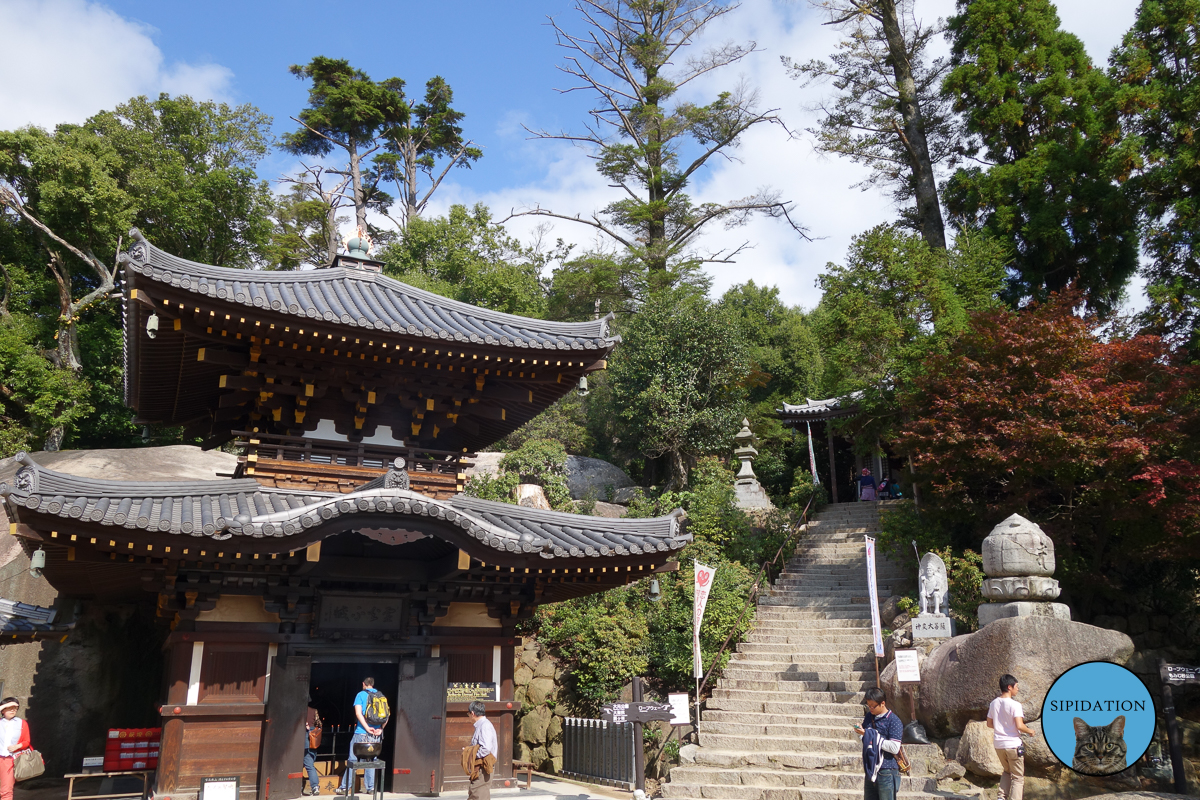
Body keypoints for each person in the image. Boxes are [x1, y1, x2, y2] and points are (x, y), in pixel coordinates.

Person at [336, 678, 388, 796]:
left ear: (363, 684)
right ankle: (370, 788)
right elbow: (387, 715)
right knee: (371, 760)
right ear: (373, 684)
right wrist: (381, 729)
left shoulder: (360, 694)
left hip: (361, 733)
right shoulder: (381, 696)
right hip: (375, 736)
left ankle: (345, 787)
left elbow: (358, 713)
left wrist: (366, 727)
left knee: (353, 759)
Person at [988, 675, 1036, 800]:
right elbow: (1020, 726)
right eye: (1016, 686)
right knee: (1018, 777)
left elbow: (989, 723)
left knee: (1007, 771)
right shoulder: (1015, 705)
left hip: (999, 745)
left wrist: (1001, 728)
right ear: (1009, 687)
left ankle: (1001, 798)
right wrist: (1030, 731)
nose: (1018, 689)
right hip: (1013, 745)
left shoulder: (993, 703)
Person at [854, 687, 903, 800]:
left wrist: (870, 736)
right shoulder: (869, 717)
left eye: (873, 706)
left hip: (887, 770)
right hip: (871, 769)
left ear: (882, 703)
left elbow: (894, 747)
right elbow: (863, 740)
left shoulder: (894, 721)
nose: (870, 708)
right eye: (868, 705)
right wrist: (859, 732)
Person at [0, 697, 31, 800]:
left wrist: (18, 746)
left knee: (6, 791)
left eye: (15, 708)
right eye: (10, 707)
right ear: (3, 709)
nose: (13, 710)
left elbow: (27, 741)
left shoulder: (22, 723)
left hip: (9, 760)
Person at [466, 701, 498, 800]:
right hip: (480, 766)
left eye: (468, 714)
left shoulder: (485, 726)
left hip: (483, 766)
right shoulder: (482, 725)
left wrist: (472, 754)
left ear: (472, 713)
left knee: (478, 793)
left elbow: (486, 748)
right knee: (477, 793)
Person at [303, 702, 322, 796]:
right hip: (312, 740)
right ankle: (315, 787)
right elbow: (319, 724)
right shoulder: (314, 711)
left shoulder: (299, 711)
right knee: (309, 764)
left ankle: (313, 786)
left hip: (303, 740)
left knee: (307, 764)